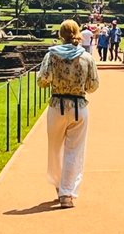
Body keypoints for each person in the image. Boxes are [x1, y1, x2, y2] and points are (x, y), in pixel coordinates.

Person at [36, 19, 100, 208]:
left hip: (57, 105)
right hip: (79, 106)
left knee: (55, 148)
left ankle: (59, 185)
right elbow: (93, 86)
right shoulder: (86, 57)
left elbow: (43, 80)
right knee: (75, 150)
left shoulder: (52, 55)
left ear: (60, 34)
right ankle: (67, 192)